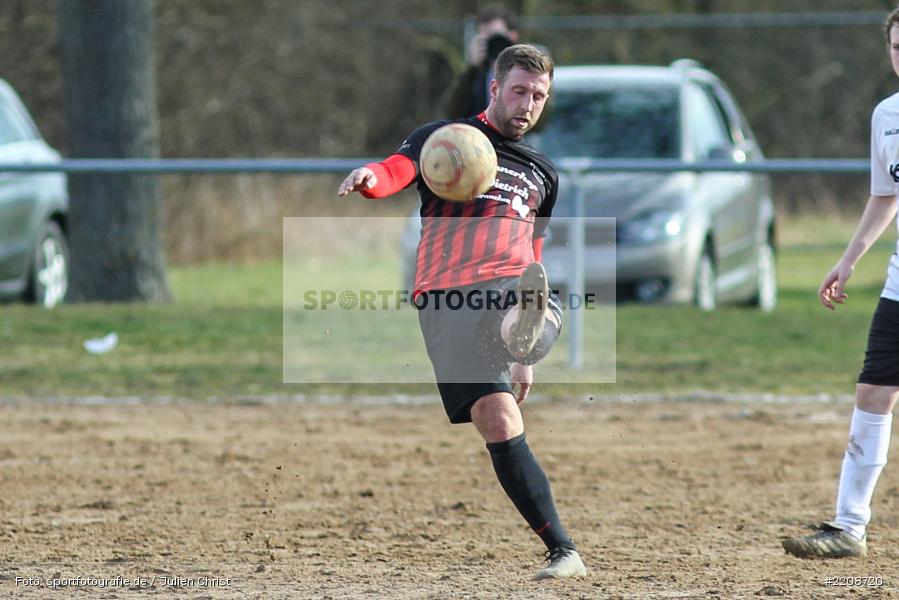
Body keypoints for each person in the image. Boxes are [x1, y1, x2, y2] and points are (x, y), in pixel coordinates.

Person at [337, 44, 586, 580]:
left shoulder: (543, 172)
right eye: (519, 91)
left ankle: (526, 327)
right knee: (497, 420)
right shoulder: (444, 138)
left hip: (508, 284)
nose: (528, 103)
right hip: (445, 297)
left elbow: (534, 251)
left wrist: (525, 355)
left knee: (523, 299)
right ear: (494, 89)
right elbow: (397, 169)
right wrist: (370, 179)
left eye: (539, 96)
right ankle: (564, 550)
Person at [781, 5, 899, 559]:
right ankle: (849, 527)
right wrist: (848, 259)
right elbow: (884, 194)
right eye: (897, 46)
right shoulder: (886, 114)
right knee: (873, 394)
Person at [443, 4, 520, 120]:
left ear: (512, 36)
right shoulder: (477, 73)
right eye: (486, 38)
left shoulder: (527, 69)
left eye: (496, 36)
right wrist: (471, 69)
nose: (492, 43)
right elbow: (453, 113)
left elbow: (541, 119)